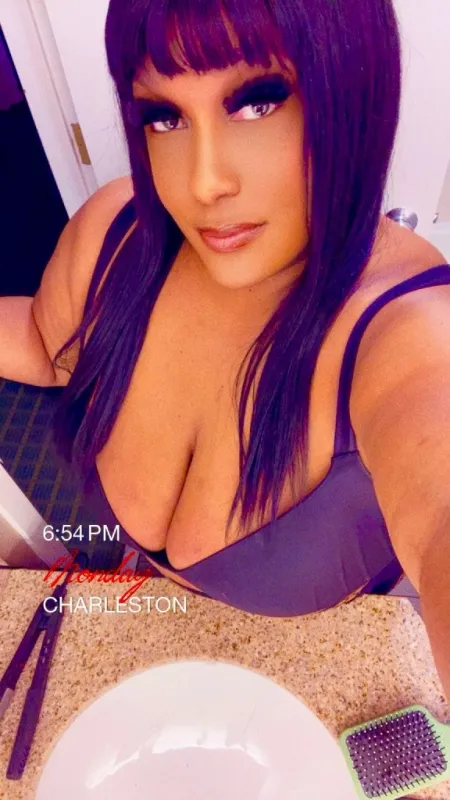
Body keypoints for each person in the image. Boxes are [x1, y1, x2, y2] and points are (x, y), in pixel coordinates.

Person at [1, 0, 450, 700]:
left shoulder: (409, 335)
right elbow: (39, 339)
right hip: (149, 642)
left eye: (256, 103)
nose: (203, 183)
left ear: (354, 90)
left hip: (324, 675)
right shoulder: (117, 237)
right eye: (165, 117)